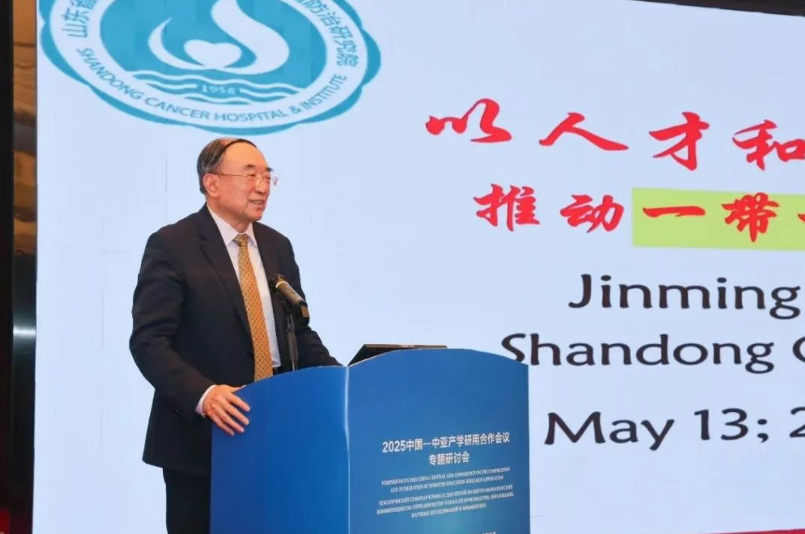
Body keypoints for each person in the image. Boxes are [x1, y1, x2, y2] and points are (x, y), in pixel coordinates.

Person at [129, 137, 340, 534]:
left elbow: (298, 333)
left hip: (275, 432)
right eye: (250, 175)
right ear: (212, 183)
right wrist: (205, 395)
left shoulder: (277, 246)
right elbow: (149, 341)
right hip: (204, 440)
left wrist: (342, 381)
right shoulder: (173, 244)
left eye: (267, 176)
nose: (262, 186)